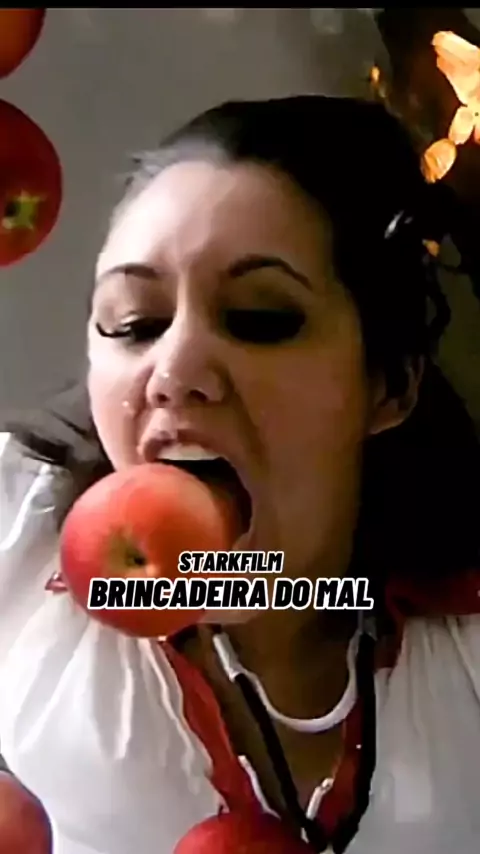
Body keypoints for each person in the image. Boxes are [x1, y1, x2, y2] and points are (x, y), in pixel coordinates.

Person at [1, 95, 480, 854]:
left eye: (261, 319)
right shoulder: (18, 530)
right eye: (134, 324)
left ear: (390, 385)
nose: (175, 373)